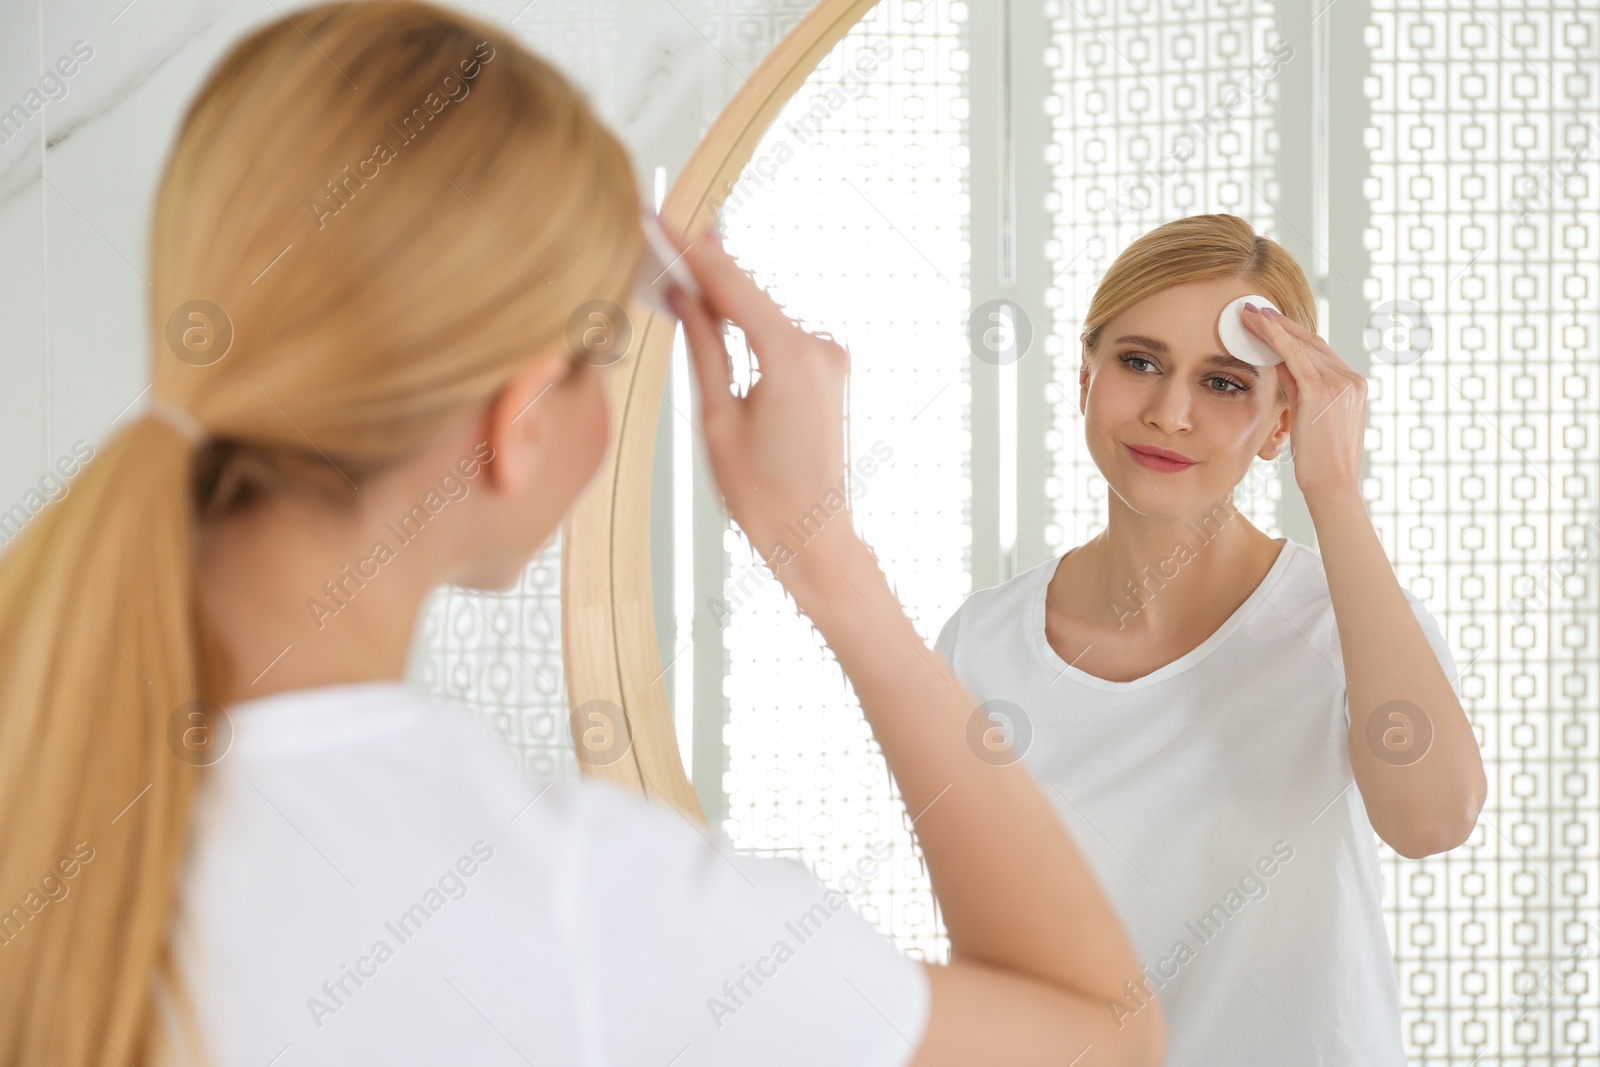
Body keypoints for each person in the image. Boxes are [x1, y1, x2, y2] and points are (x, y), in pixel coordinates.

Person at [0, 3, 1167, 1065]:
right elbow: (1101, 1032)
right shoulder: (580, 906)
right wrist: (821, 551)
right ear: (516, 422)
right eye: (604, 354)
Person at [933, 213, 1488, 1064]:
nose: (1169, 412)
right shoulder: (983, 643)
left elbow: (1432, 820)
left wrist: (1333, 486)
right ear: (1084, 376)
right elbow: (990, 943)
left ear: (1280, 423)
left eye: (1225, 383)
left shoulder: (1348, 623)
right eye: (1140, 362)